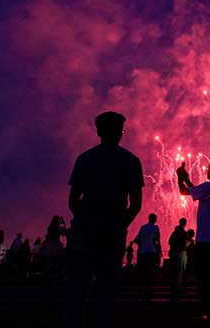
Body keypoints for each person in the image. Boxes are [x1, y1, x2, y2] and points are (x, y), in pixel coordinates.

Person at [65, 111, 143, 328]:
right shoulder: (131, 161)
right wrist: (120, 224)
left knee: (78, 287)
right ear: (121, 133)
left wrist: (84, 221)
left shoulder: (85, 158)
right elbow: (136, 204)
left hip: (85, 229)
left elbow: (73, 200)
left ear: (98, 131)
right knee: (108, 289)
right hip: (113, 230)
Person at [176, 159, 210, 322]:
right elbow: (197, 192)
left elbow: (185, 192)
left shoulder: (209, 187)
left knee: (201, 277)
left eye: (209, 168)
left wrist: (180, 177)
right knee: (209, 278)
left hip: (205, 241)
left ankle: (209, 311)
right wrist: (185, 178)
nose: (206, 170)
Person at [135, 212, 161, 296]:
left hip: (143, 251)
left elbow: (138, 238)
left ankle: (142, 288)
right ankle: (148, 288)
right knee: (151, 270)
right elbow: (157, 239)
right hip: (152, 251)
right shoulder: (155, 227)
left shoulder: (143, 227)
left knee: (144, 270)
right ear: (154, 219)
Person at [168, 217, 188, 299]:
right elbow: (184, 244)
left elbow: (169, 242)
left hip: (173, 253)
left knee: (173, 271)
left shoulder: (174, 232)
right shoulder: (184, 233)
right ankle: (177, 289)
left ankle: (173, 288)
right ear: (185, 223)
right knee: (179, 272)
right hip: (180, 253)